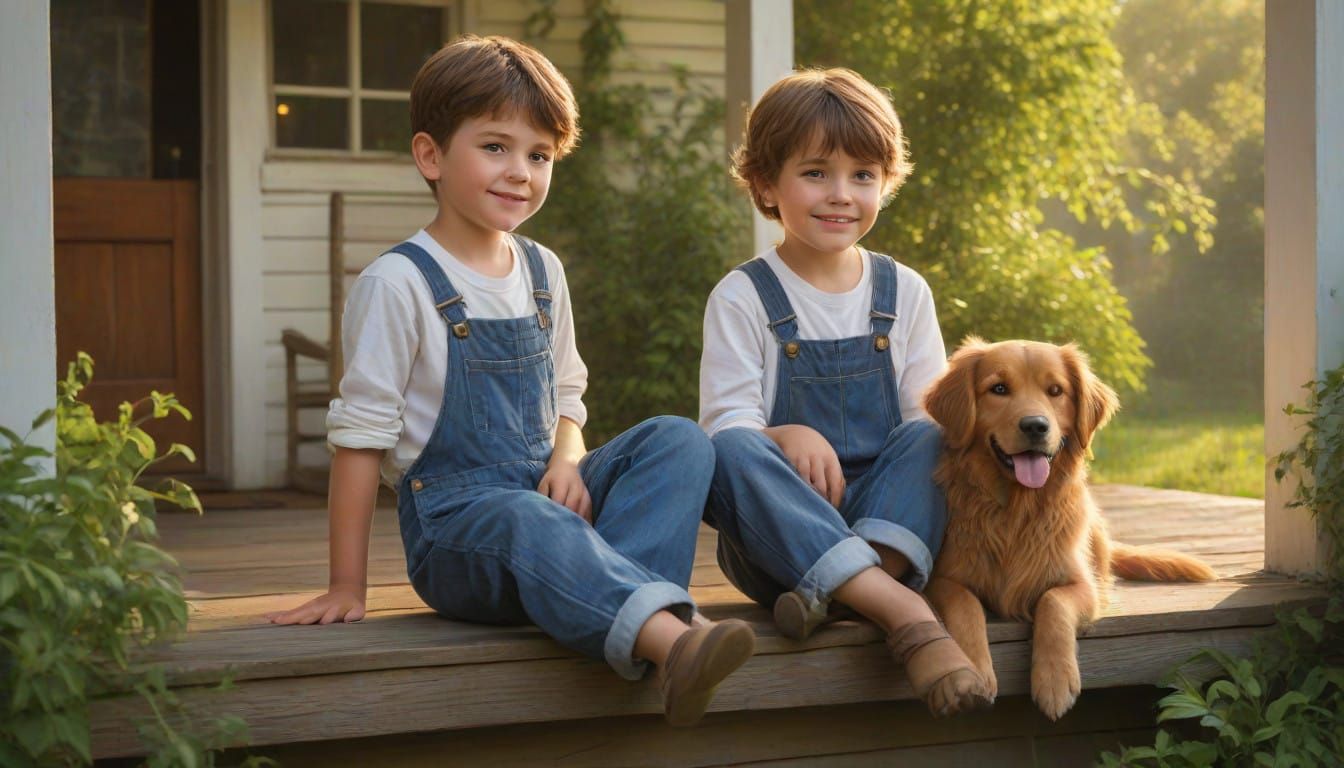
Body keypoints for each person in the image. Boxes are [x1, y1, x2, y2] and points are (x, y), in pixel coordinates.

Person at [265, 35, 753, 728]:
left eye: (539, 155)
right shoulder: (398, 283)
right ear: (431, 155)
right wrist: (347, 584)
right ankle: (674, 639)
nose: (520, 172)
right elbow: (359, 439)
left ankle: (627, 615)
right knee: (525, 516)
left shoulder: (543, 272)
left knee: (678, 440)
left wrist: (567, 458)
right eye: (495, 147)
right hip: (456, 535)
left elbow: (568, 395)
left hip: (547, 502)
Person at [699, 68, 989, 716]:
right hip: (781, 538)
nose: (840, 195)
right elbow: (727, 420)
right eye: (816, 173)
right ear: (766, 182)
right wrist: (783, 434)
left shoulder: (904, 291)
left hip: (891, 523)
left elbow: (926, 416)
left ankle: (845, 590)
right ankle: (902, 609)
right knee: (723, 451)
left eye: (862, 175)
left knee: (931, 433)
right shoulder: (743, 295)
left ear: (886, 181)